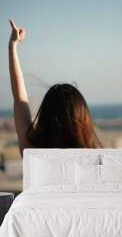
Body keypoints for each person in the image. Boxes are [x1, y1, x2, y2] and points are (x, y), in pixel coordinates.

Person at [8, 19, 102, 156]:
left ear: (46, 118)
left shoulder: (32, 152)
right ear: (84, 120)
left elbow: (20, 98)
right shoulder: (95, 162)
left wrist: (12, 46)